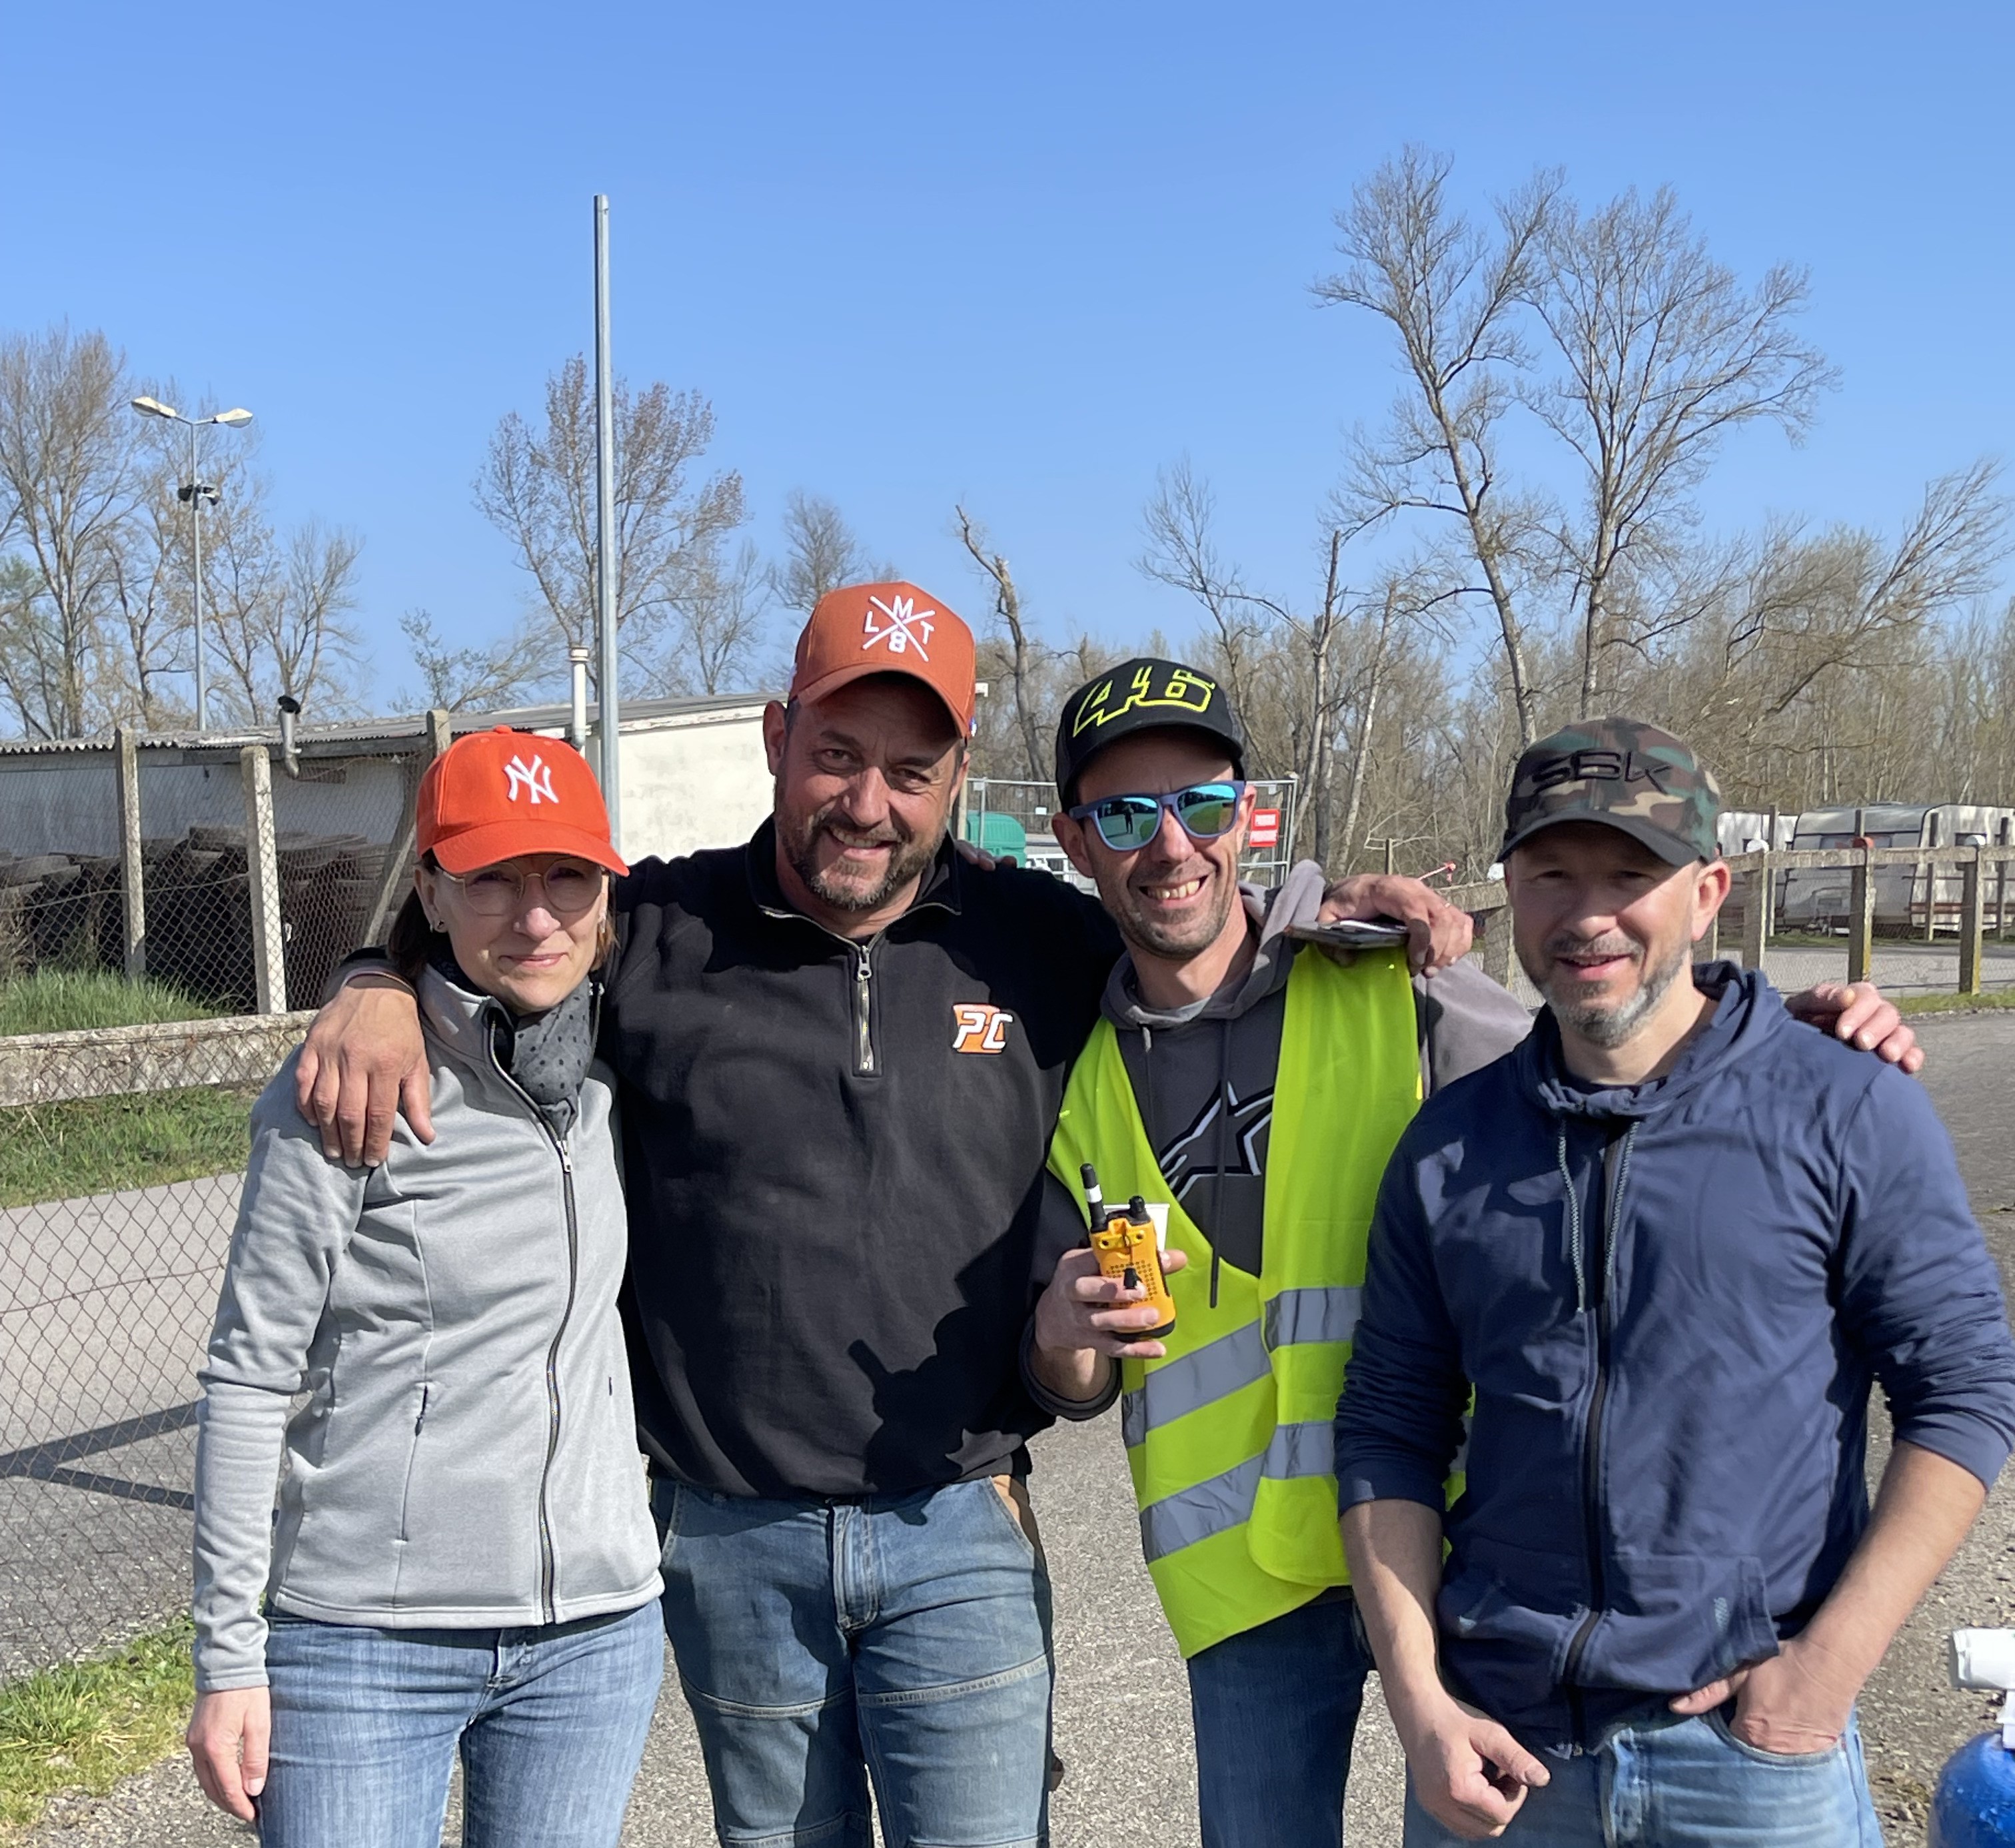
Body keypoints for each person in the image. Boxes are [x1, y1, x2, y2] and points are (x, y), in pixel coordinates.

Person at [289, 586, 1470, 1848]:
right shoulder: (659, 934)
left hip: (960, 1527)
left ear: (960, 775)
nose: (868, 802)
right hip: (731, 1543)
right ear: (774, 737)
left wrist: (1336, 905)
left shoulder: (1046, 943)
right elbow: (511, 930)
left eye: (912, 769)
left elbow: (1194, 927)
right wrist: (378, 977)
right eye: (837, 756)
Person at [1021, 677, 1925, 1848]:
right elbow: (1070, 1380)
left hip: (1440, 1538)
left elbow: (1606, 1059)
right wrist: (1065, 1348)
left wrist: (1773, 1033)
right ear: (1078, 840)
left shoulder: (1392, 975)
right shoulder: (1073, 1079)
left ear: (1252, 814)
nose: (1172, 844)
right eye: (1129, 817)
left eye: (1202, 803)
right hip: (1241, 1592)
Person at [1335, 719, 2015, 1846]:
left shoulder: (1842, 1106)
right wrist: (1420, 1708)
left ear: (1708, 892)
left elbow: (1967, 1393)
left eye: (1631, 872)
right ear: (1511, 887)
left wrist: (1826, 1672)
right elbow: (1387, 1426)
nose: (1588, 913)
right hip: (1506, 1758)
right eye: (1553, 872)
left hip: (1755, 1765)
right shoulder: (1449, 1147)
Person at [186, 728, 664, 1848]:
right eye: (492, 878)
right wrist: (226, 1654)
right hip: (365, 1642)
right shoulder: (348, 1092)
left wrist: (369, 977)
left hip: (591, 1636)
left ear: (605, 898)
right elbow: (248, 1374)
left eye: (566, 877)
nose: (536, 914)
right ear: (433, 897)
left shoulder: (625, 1066)